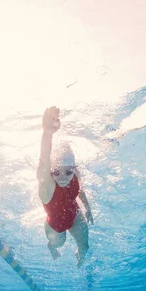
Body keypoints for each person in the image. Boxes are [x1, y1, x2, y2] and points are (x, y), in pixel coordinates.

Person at [37, 106, 93, 268]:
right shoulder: (46, 186)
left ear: (73, 169)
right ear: (50, 170)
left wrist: (87, 208)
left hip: (74, 214)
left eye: (68, 172)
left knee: (85, 247)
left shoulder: (75, 175)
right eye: (56, 172)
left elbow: (79, 190)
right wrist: (47, 134)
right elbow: (44, 159)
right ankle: (50, 247)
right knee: (58, 243)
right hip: (55, 224)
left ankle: (80, 261)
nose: (63, 178)